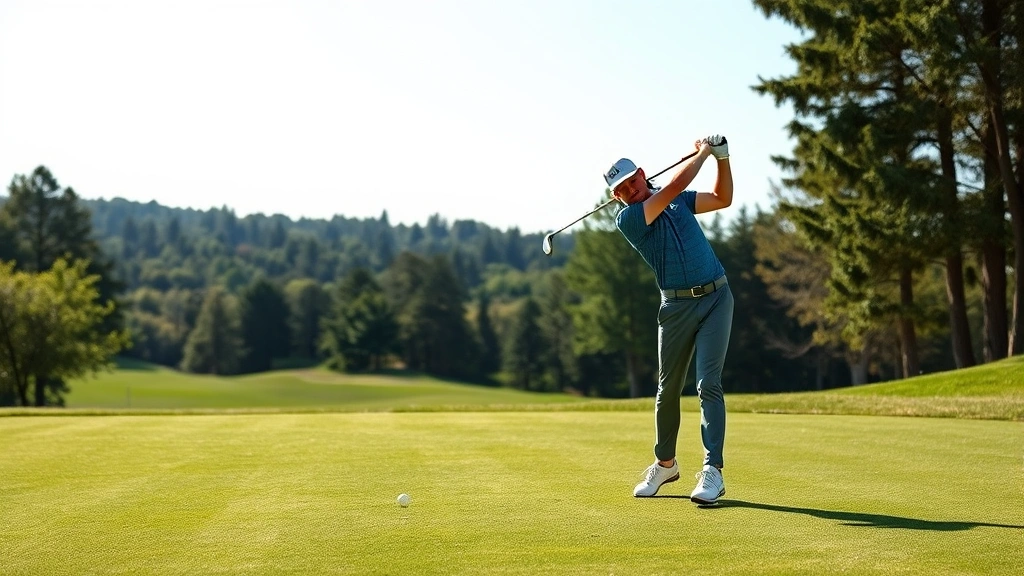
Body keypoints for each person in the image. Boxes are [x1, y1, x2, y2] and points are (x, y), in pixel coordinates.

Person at [603, 135, 734, 505]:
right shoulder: (628, 218)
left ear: (642, 174)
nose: (630, 189)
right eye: (622, 188)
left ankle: (713, 471)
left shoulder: (676, 201)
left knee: (708, 383)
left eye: (632, 180)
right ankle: (666, 464)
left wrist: (722, 158)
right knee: (668, 390)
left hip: (716, 297)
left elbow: (722, 198)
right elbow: (676, 184)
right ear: (617, 197)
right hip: (675, 308)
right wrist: (703, 153)